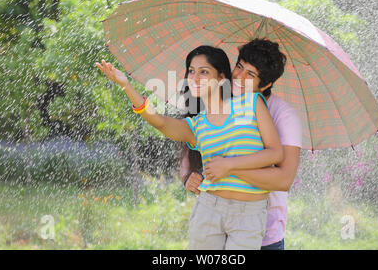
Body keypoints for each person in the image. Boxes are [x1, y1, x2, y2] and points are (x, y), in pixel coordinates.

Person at [95, 45, 284, 250]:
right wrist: (125, 85)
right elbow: (158, 121)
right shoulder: (197, 125)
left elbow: (275, 153)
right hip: (209, 209)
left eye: (204, 72)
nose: (194, 77)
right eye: (191, 71)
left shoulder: (252, 103)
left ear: (221, 78)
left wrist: (229, 165)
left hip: (250, 213)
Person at [181, 39, 302, 250]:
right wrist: (191, 176)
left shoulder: (284, 115)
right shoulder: (215, 98)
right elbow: (195, 149)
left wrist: (227, 166)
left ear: (265, 85)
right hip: (214, 223)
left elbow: (283, 180)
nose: (238, 77)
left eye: (251, 75)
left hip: (264, 232)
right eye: (239, 67)